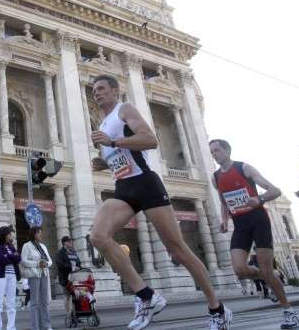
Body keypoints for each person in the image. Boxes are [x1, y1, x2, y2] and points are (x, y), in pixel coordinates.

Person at [89, 74, 231, 330]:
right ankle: (146, 295)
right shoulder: (103, 123)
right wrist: (105, 162)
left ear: (115, 90)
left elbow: (150, 140)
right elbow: (124, 156)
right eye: (93, 90)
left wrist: (112, 142)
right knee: (98, 236)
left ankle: (217, 309)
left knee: (178, 250)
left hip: (146, 185)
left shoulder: (125, 110)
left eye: (101, 88)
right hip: (123, 188)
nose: (96, 93)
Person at [210, 139, 299, 329]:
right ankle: (272, 275)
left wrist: (259, 199)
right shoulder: (215, 177)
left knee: (265, 269)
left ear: (227, 150)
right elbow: (223, 201)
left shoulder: (244, 168)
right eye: (212, 152)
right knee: (240, 270)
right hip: (240, 225)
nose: (214, 154)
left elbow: (275, 190)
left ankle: (290, 313)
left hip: (259, 221)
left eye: (217, 150)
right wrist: (224, 220)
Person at [21, 226, 53, 330]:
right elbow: (24, 261)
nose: (41, 234)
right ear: (33, 234)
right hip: (34, 275)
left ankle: (46, 326)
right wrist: (37, 264)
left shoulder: (43, 246)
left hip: (44, 274)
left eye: (41, 232)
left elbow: (50, 261)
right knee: (35, 302)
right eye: (39, 232)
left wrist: (46, 264)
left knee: (45, 301)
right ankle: (35, 327)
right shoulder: (27, 246)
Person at [0, 225, 21, 330]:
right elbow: (0, 259)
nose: (11, 235)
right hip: (1, 276)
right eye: (9, 234)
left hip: (12, 276)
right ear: (4, 235)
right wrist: (13, 257)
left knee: (11, 304)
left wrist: (9, 256)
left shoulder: (11, 247)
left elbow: (19, 258)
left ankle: (11, 327)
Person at [55, 236, 82, 318]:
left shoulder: (73, 252)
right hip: (65, 278)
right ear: (65, 243)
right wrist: (72, 267)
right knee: (67, 296)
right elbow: (60, 265)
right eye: (69, 241)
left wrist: (79, 267)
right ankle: (69, 315)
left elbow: (78, 262)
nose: (71, 242)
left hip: (75, 278)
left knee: (76, 295)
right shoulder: (60, 253)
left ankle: (76, 314)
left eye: (71, 241)